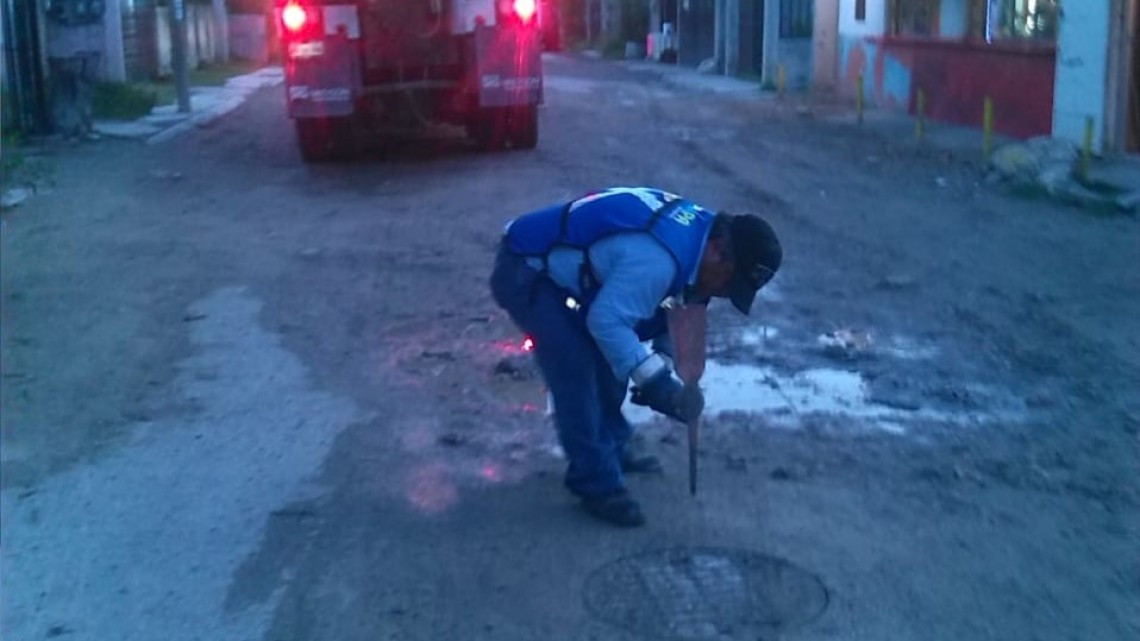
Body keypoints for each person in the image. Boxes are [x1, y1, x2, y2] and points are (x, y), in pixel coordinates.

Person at [490, 187, 782, 527]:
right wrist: (656, 383)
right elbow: (607, 321)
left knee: (613, 360)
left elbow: (677, 303)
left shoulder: (703, 235)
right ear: (719, 251)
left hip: (572, 273)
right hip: (526, 269)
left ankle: (611, 448)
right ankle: (596, 482)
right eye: (728, 284)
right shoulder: (657, 259)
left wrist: (663, 362)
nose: (722, 293)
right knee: (577, 369)